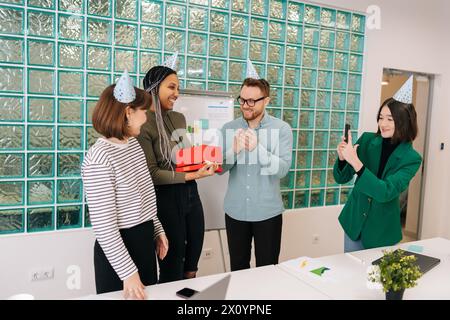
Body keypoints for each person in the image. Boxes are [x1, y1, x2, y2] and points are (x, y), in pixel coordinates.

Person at [81, 70, 169, 299]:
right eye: (143, 112)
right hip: (119, 255)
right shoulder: (99, 158)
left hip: (143, 242)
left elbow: (144, 198)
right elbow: (105, 228)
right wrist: (129, 274)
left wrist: (156, 229)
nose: (146, 117)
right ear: (128, 112)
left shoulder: (133, 146)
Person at [137, 62, 218, 283]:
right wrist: (193, 175)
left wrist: (206, 159)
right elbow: (152, 173)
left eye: (178, 88)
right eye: (171, 87)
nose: (177, 94)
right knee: (172, 266)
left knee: (192, 263)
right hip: (165, 199)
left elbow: (185, 157)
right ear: (153, 88)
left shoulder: (178, 118)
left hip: (191, 194)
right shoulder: (141, 123)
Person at [334, 76, 422, 252]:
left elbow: (385, 191)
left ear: (404, 122)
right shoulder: (367, 140)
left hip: (381, 231)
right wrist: (343, 158)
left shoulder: (411, 158)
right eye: (381, 117)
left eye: (390, 119)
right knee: (351, 276)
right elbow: (341, 178)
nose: (382, 123)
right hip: (354, 223)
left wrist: (356, 162)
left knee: (375, 278)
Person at [220, 61, 293, 271]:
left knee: (268, 270)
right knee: (238, 268)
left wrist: (257, 149)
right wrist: (232, 151)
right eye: (242, 100)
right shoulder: (229, 128)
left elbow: (282, 169)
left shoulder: (281, 129)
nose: (245, 105)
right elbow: (219, 169)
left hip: (267, 213)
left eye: (252, 101)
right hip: (235, 212)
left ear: (266, 100)